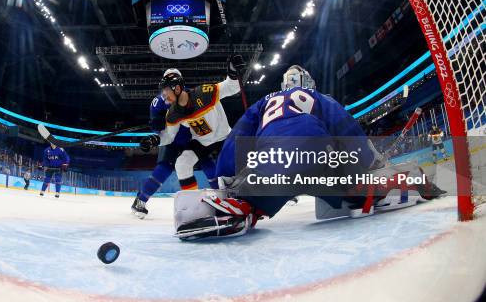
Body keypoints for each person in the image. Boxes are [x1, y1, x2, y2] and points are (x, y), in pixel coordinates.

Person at [174, 65, 446, 240]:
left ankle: (244, 206)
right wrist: (368, 164)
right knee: (356, 190)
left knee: (258, 191)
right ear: (309, 83)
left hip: (274, 160)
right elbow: (347, 130)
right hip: (321, 155)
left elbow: (236, 139)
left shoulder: (264, 102)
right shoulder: (320, 98)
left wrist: (226, 179)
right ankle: (403, 182)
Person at [140, 55, 245, 196]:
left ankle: (240, 197)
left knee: (231, 171)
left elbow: (231, 87)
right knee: (182, 164)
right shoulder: (172, 113)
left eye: (166, 92)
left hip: (224, 137)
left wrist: (233, 72)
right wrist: (154, 140)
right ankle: (192, 200)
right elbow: (169, 137)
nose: (164, 97)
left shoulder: (205, 93)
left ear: (177, 88)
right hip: (202, 142)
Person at [131, 69, 219, 219]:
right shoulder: (158, 102)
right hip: (172, 139)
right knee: (163, 169)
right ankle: (141, 200)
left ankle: (222, 197)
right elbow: (158, 129)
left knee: (208, 164)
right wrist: (156, 125)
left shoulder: (190, 96)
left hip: (192, 138)